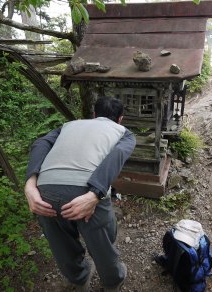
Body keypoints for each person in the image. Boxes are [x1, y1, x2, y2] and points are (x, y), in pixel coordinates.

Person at [24, 96, 136, 292]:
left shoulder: (68, 126)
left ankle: (79, 278)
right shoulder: (124, 133)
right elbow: (115, 157)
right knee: (102, 241)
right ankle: (112, 282)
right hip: (84, 190)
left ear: (93, 115)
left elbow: (40, 143)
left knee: (61, 244)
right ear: (120, 119)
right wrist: (95, 194)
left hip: (44, 191)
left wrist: (30, 183)